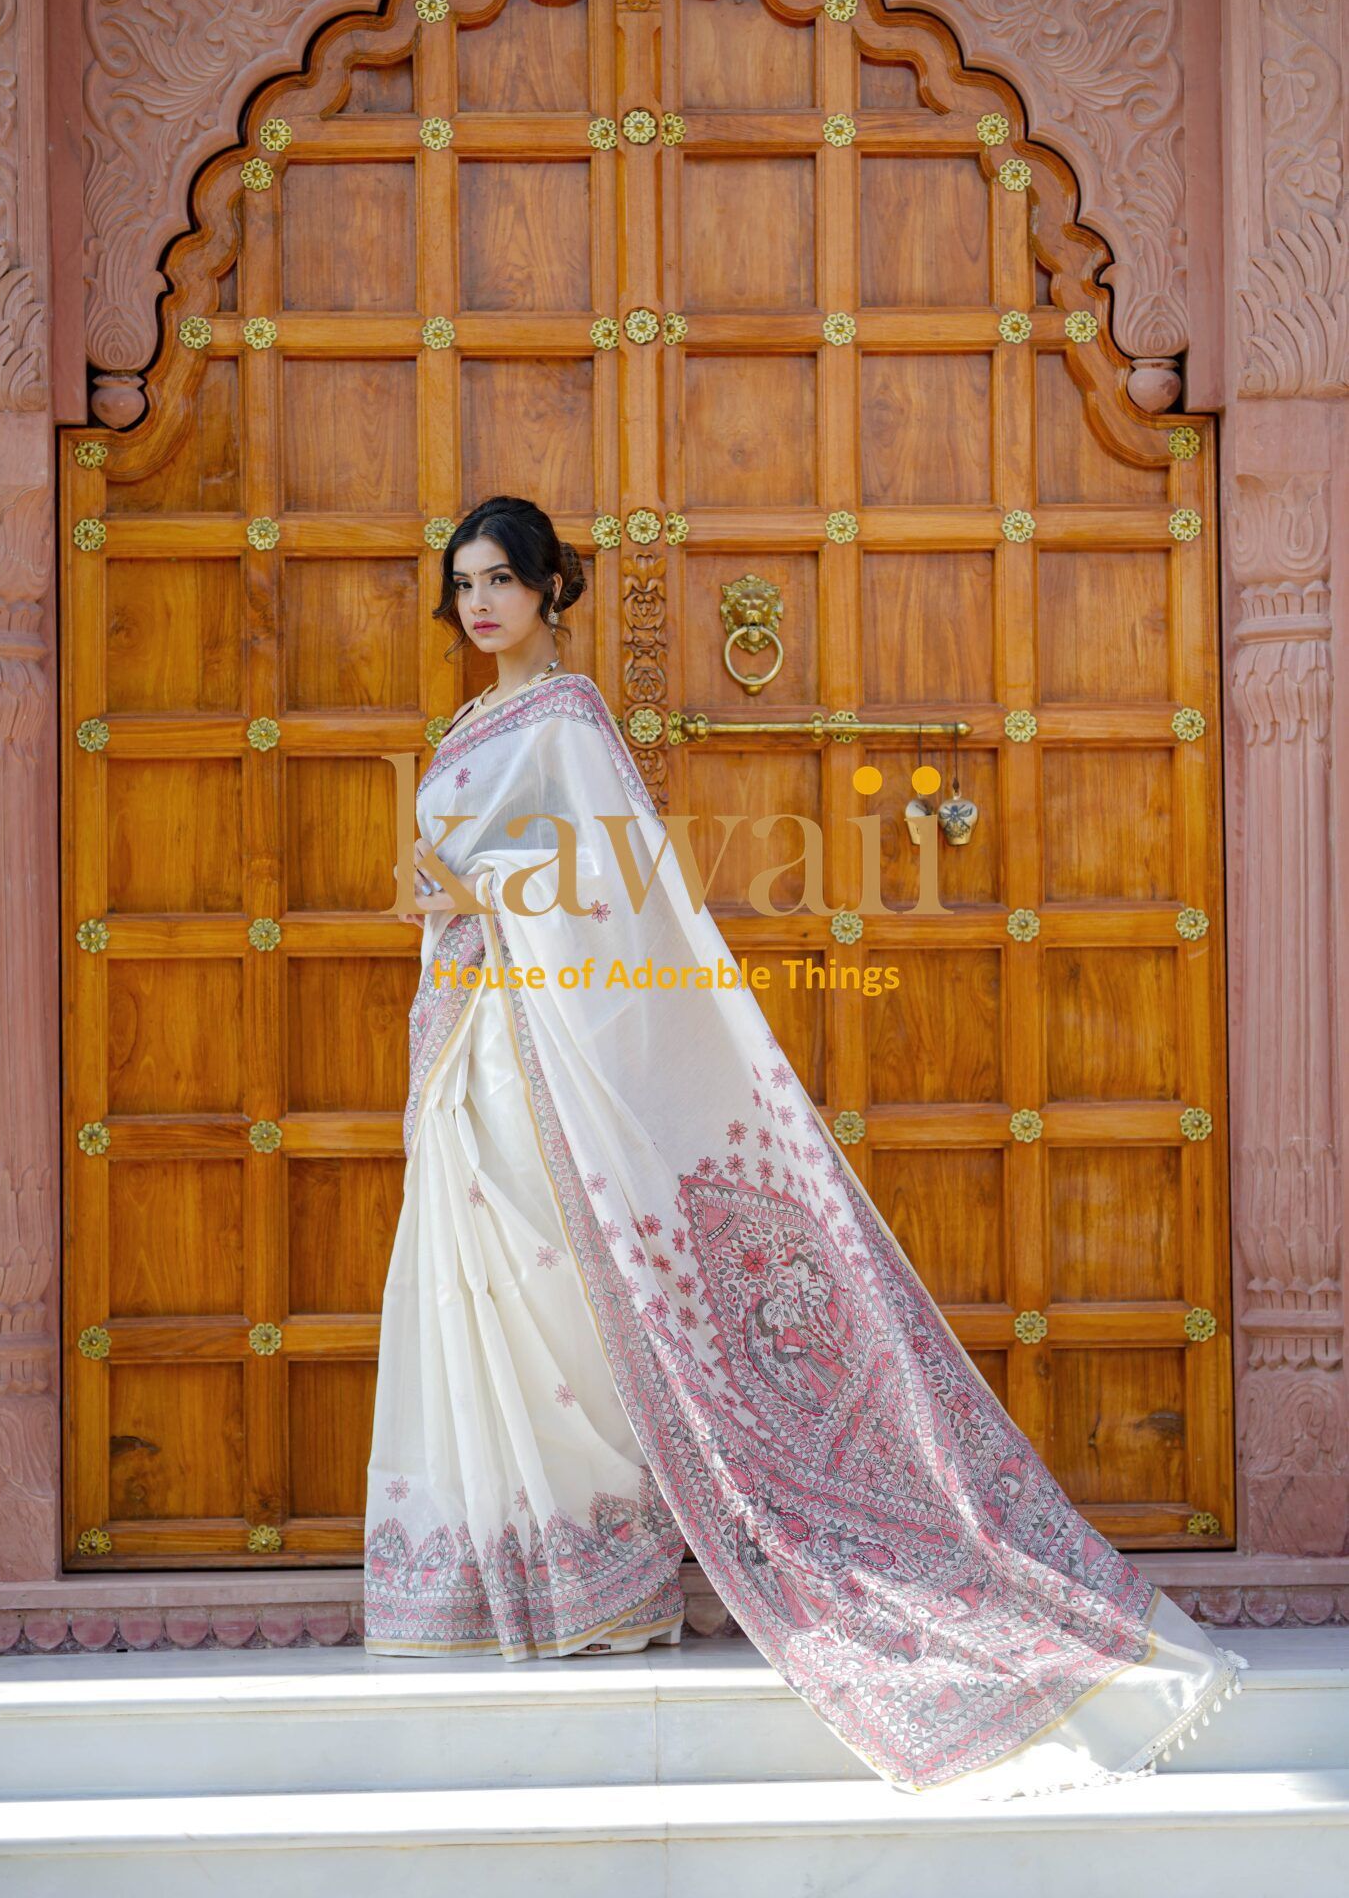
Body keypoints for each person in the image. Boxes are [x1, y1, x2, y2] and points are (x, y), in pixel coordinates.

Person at [363, 493, 1246, 1800]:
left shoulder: (565, 722)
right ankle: (527, 1571)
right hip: (465, 1055)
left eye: (501, 580)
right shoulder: (474, 723)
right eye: (465, 584)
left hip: (540, 1054)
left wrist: (478, 889)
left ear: (552, 590)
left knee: (555, 1299)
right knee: (486, 1290)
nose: (479, 603)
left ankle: (611, 1576)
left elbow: (617, 898)